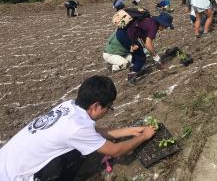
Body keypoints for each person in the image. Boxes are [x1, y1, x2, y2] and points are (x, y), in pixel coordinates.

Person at [0, 75, 156, 181]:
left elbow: (94, 132)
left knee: (77, 152)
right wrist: (144, 136)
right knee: (78, 155)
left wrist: (130, 131)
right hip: (12, 176)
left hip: (5, 160)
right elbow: (116, 150)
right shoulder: (76, 128)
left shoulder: (70, 106)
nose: (108, 110)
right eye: (108, 107)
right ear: (96, 106)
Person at [126, 12, 174, 83]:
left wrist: (154, 55)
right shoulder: (154, 26)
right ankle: (131, 76)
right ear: (162, 24)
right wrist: (156, 56)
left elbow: (145, 41)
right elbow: (148, 44)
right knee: (141, 58)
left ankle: (134, 68)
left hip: (126, 33)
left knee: (137, 53)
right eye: (166, 26)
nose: (165, 28)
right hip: (126, 35)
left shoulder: (150, 21)